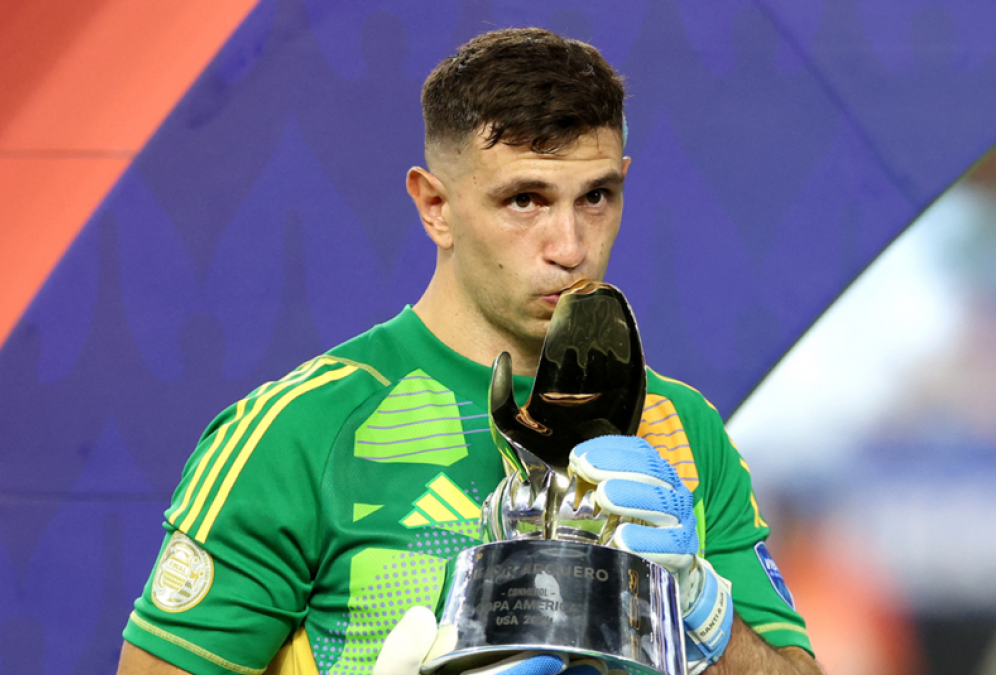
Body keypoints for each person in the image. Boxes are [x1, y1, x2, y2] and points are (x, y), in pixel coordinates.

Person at [116, 28, 821, 675]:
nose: (570, 247)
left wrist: (702, 611)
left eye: (596, 196)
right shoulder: (296, 435)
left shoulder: (684, 426)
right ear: (436, 207)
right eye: (525, 200)